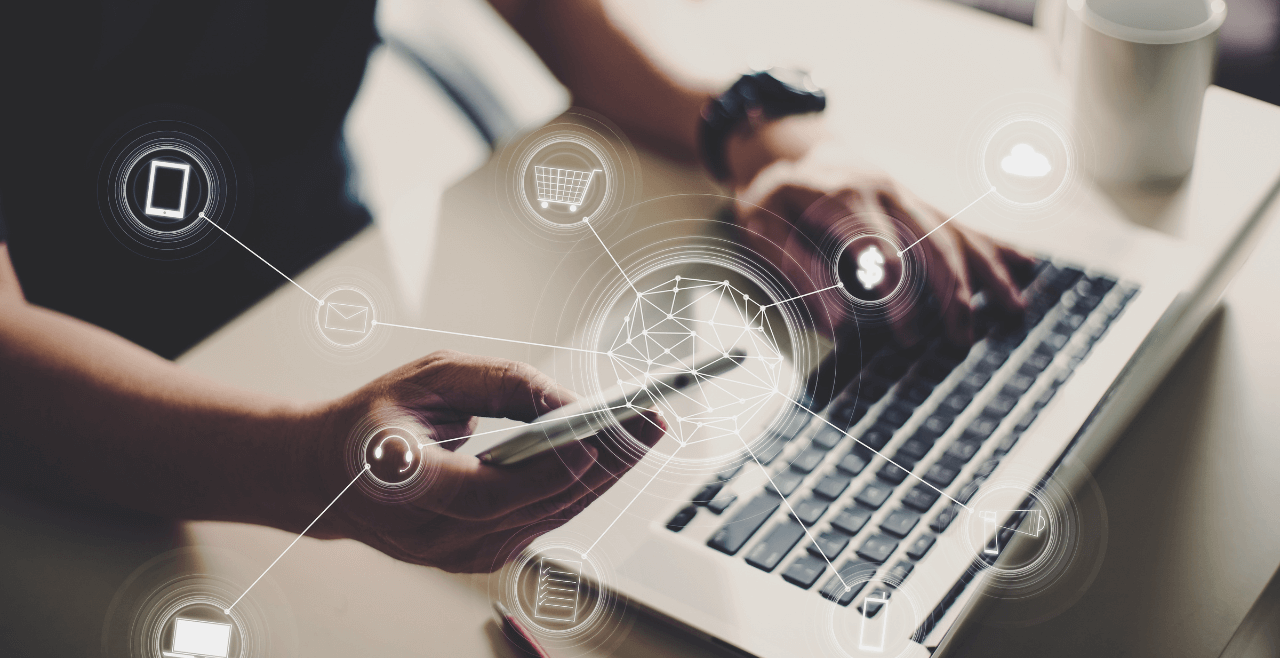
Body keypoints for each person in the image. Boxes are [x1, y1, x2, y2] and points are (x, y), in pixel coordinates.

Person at [0, 0, 1031, 573]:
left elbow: (556, 15)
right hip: (87, 456)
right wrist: (305, 465)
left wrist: (758, 135)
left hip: (326, 305)